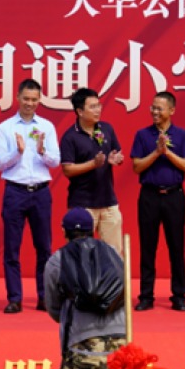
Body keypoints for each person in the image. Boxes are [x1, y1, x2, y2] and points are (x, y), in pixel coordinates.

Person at [44, 208, 129, 369]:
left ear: (64, 231)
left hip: (82, 345)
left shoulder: (58, 260)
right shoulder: (113, 254)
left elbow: (53, 307)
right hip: (119, 346)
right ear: (93, 230)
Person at [0, 78, 61, 314]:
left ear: (39, 100)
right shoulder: (5, 128)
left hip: (40, 192)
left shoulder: (47, 127)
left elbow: (56, 161)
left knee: (44, 248)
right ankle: (15, 298)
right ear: (17, 98)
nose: (29, 103)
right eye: (26, 99)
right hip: (15, 191)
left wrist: (42, 151)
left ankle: (44, 297)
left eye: (34, 99)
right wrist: (18, 152)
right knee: (12, 248)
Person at [129, 91, 185, 312]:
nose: (154, 112)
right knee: (148, 247)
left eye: (159, 108)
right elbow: (137, 166)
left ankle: (179, 295)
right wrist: (156, 152)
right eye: (153, 107)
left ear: (171, 110)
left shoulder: (182, 135)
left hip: (174, 195)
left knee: (177, 246)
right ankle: (146, 295)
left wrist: (167, 152)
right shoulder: (142, 135)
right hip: (149, 196)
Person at [60, 88, 125, 255]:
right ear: (80, 111)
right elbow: (67, 169)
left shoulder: (106, 129)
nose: (98, 110)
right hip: (82, 204)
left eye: (98, 105)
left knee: (113, 254)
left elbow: (116, 153)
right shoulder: (70, 137)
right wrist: (93, 164)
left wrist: (116, 158)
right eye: (92, 107)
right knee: (80, 254)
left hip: (108, 202)